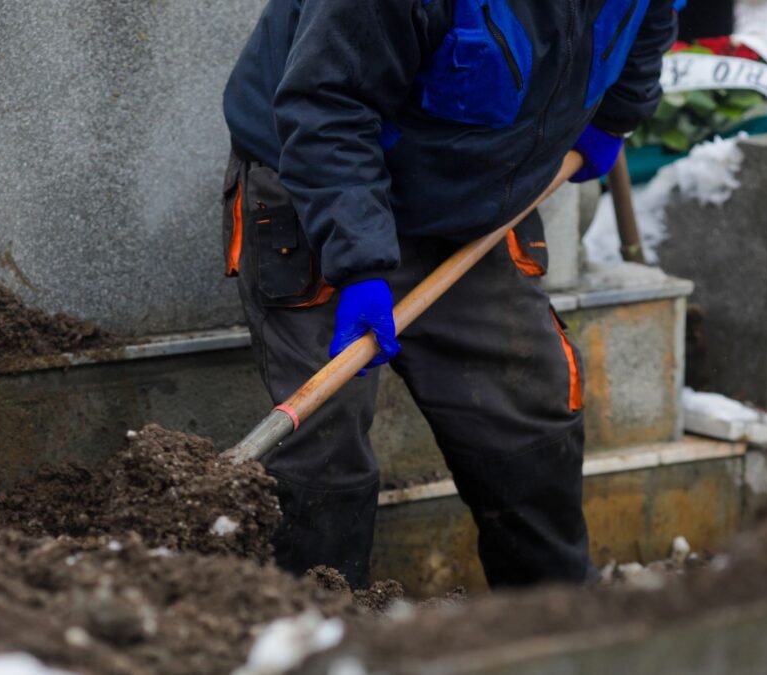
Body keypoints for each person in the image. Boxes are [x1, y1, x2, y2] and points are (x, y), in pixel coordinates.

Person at [222, 0, 677, 589]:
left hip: (475, 207)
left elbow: (649, 15)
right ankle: (323, 637)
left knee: (527, 415)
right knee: (322, 452)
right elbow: (328, 106)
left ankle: (558, 623)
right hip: (321, 193)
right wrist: (359, 265)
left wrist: (617, 114)